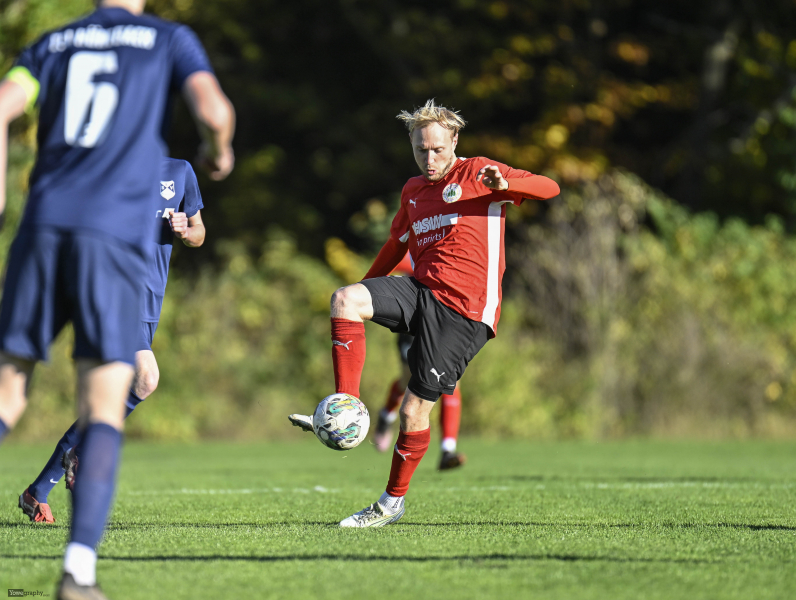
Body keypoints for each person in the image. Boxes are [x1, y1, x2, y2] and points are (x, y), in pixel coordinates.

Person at [0, 0, 234, 597]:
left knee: (9, 390)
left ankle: (45, 484)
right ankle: (77, 568)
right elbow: (213, 107)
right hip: (108, 249)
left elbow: (4, 104)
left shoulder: (51, 45)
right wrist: (222, 150)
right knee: (116, 394)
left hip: (45, 226)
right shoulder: (167, 39)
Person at [289, 99, 559, 527]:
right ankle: (347, 408)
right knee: (345, 299)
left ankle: (391, 503)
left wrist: (505, 184)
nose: (429, 159)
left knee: (415, 410)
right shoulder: (413, 190)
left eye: (437, 149)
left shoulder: (479, 172)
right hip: (420, 292)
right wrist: (365, 285)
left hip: (465, 311)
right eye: (420, 150)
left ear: (454, 141)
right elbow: (396, 244)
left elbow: (550, 187)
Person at [18, 157, 205, 524]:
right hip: (112, 292)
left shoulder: (179, 171)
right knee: (147, 378)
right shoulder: (105, 165)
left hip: (150, 303)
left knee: (108, 398)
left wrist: (185, 229)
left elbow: (200, 232)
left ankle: (37, 491)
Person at [372, 252, 466, 471]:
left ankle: (447, 450)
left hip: (444, 319)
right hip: (413, 323)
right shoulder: (413, 246)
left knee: (452, 383)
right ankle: (386, 414)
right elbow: (388, 267)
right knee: (409, 382)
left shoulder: (451, 245)